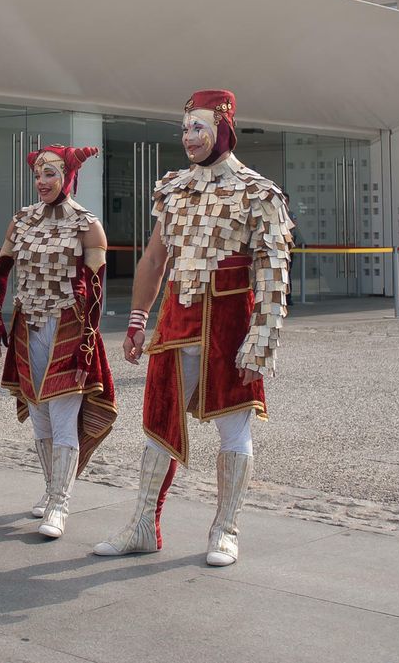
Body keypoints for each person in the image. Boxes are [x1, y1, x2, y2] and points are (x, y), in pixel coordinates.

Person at [92, 89, 292, 567]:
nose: (189, 138)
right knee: (158, 424)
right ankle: (143, 524)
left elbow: (272, 273)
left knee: (234, 429)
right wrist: (138, 319)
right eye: (184, 129)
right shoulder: (173, 189)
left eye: (198, 128)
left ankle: (226, 530)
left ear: (223, 128)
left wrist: (261, 340)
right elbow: (155, 260)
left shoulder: (258, 192)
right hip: (178, 320)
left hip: (230, 324)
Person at [0, 145, 117, 540]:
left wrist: (89, 342)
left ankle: (60, 503)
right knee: (39, 417)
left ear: (68, 177)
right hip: (28, 326)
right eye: (39, 175)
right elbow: (0, 271)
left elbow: (95, 289)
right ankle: (51, 489)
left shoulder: (87, 225)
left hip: (69, 327)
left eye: (51, 174)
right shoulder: (21, 221)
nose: (43, 182)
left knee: (62, 417)